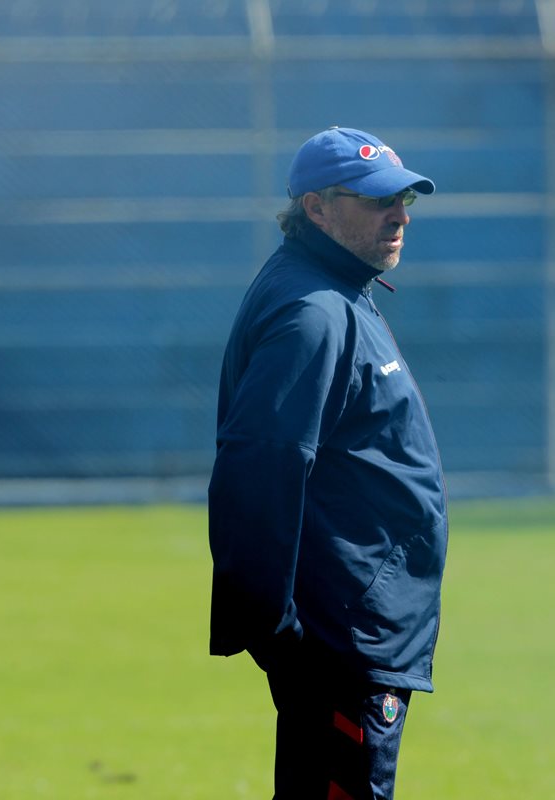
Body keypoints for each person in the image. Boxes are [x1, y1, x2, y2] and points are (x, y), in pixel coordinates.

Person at [208, 126, 448, 800]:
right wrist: (281, 636)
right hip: (340, 647)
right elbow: (257, 475)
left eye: (404, 199)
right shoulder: (313, 311)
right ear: (315, 208)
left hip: (354, 639)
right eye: (376, 201)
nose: (398, 214)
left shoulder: (337, 288)